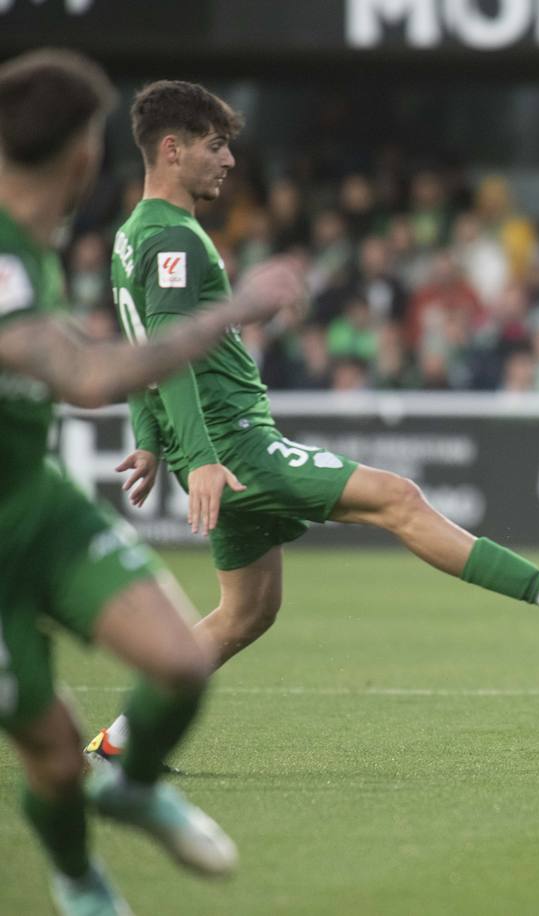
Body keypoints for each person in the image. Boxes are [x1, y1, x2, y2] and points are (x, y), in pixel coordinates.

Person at [86, 80, 539, 765]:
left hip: (219, 445)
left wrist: (148, 440)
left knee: (248, 613)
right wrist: (200, 454)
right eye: (216, 147)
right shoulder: (173, 241)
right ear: (171, 148)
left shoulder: (133, 237)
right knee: (398, 497)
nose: (228, 162)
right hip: (233, 445)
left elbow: (143, 353)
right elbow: (170, 357)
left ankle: (122, 741)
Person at [0, 49, 306, 915]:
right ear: (84, 158)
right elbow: (87, 375)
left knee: (181, 663)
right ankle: (76, 877)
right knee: (55, 762)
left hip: (37, 500)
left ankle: (131, 786)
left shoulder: (43, 235)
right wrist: (233, 313)